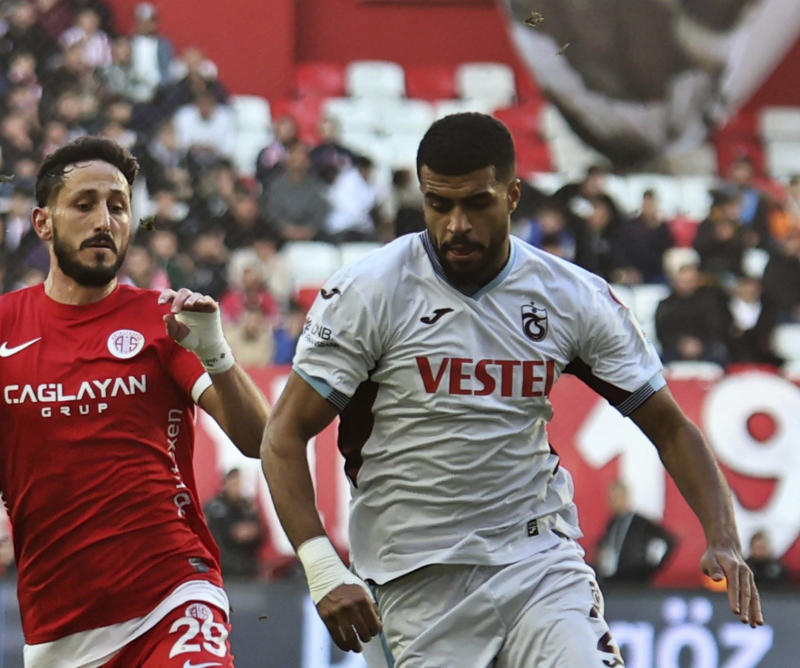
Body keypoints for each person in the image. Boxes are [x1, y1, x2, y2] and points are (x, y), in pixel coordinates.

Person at [260, 113, 763, 667]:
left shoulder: (571, 297)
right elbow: (283, 434)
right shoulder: (370, 291)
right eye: (438, 204)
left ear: (513, 195)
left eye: (476, 203)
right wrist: (322, 565)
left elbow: (669, 425)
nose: (455, 224)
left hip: (537, 559)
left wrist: (723, 535)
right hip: (413, 578)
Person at [0, 137, 270, 667]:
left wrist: (217, 352)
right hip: (60, 634)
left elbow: (259, 440)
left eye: (118, 206)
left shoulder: (164, 321)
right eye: (84, 204)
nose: (105, 220)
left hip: (175, 597)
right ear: (43, 223)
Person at [594, 480, 676, 584]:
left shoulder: (641, 522)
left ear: (625, 498)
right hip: (613, 581)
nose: (611, 502)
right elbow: (602, 546)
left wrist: (652, 567)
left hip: (636, 581)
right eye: (610, 499)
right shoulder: (612, 523)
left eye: (615, 498)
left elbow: (669, 540)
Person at [203, 468, 265, 578]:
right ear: (225, 483)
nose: (237, 486)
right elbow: (214, 535)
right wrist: (234, 532)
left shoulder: (247, 506)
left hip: (247, 569)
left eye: (239, 483)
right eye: (233, 482)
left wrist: (252, 532)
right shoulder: (214, 507)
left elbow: (258, 532)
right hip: (223, 569)